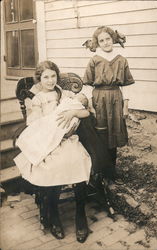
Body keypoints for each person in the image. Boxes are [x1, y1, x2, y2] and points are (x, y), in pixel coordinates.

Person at [14, 60, 92, 243]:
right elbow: (36, 125)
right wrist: (53, 127)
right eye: (46, 77)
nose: (50, 80)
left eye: (53, 76)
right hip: (49, 142)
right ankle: (54, 215)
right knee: (51, 168)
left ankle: (81, 216)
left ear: (57, 76)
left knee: (79, 162)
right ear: (39, 79)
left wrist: (72, 113)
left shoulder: (64, 93)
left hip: (68, 139)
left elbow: (85, 112)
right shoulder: (37, 99)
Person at [82, 26, 135, 184]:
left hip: (116, 99)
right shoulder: (94, 60)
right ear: (97, 43)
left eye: (108, 39)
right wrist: (91, 106)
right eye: (101, 40)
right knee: (101, 135)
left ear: (113, 40)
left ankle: (112, 171)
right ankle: (100, 171)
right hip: (99, 99)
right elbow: (87, 85)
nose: (105, 43)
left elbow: (127, 85)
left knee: (114, 134)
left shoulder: (122, 60)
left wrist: (125, 106)